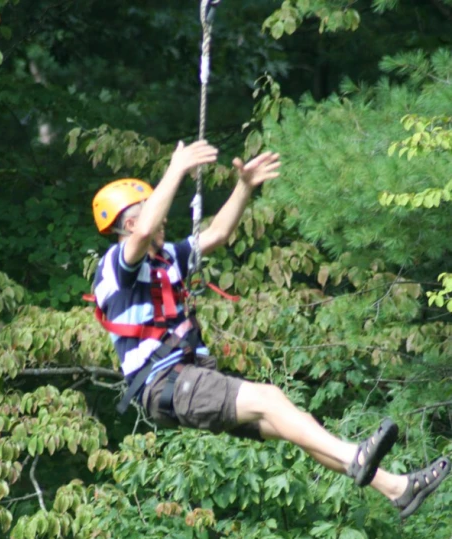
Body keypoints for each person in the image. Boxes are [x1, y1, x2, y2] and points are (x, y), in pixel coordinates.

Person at [91, 140, 450, 519]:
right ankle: (355, 455)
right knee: (270, 398)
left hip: (188, 380)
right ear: (129, 223)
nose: (162, 218)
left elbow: (218, 235)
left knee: (293, 424)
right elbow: (146, 229)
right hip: (166, 384)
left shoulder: (168, 259)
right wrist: (177, 168)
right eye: (152, 211)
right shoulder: (117, 265)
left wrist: (244, 187)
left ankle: (398, 489)